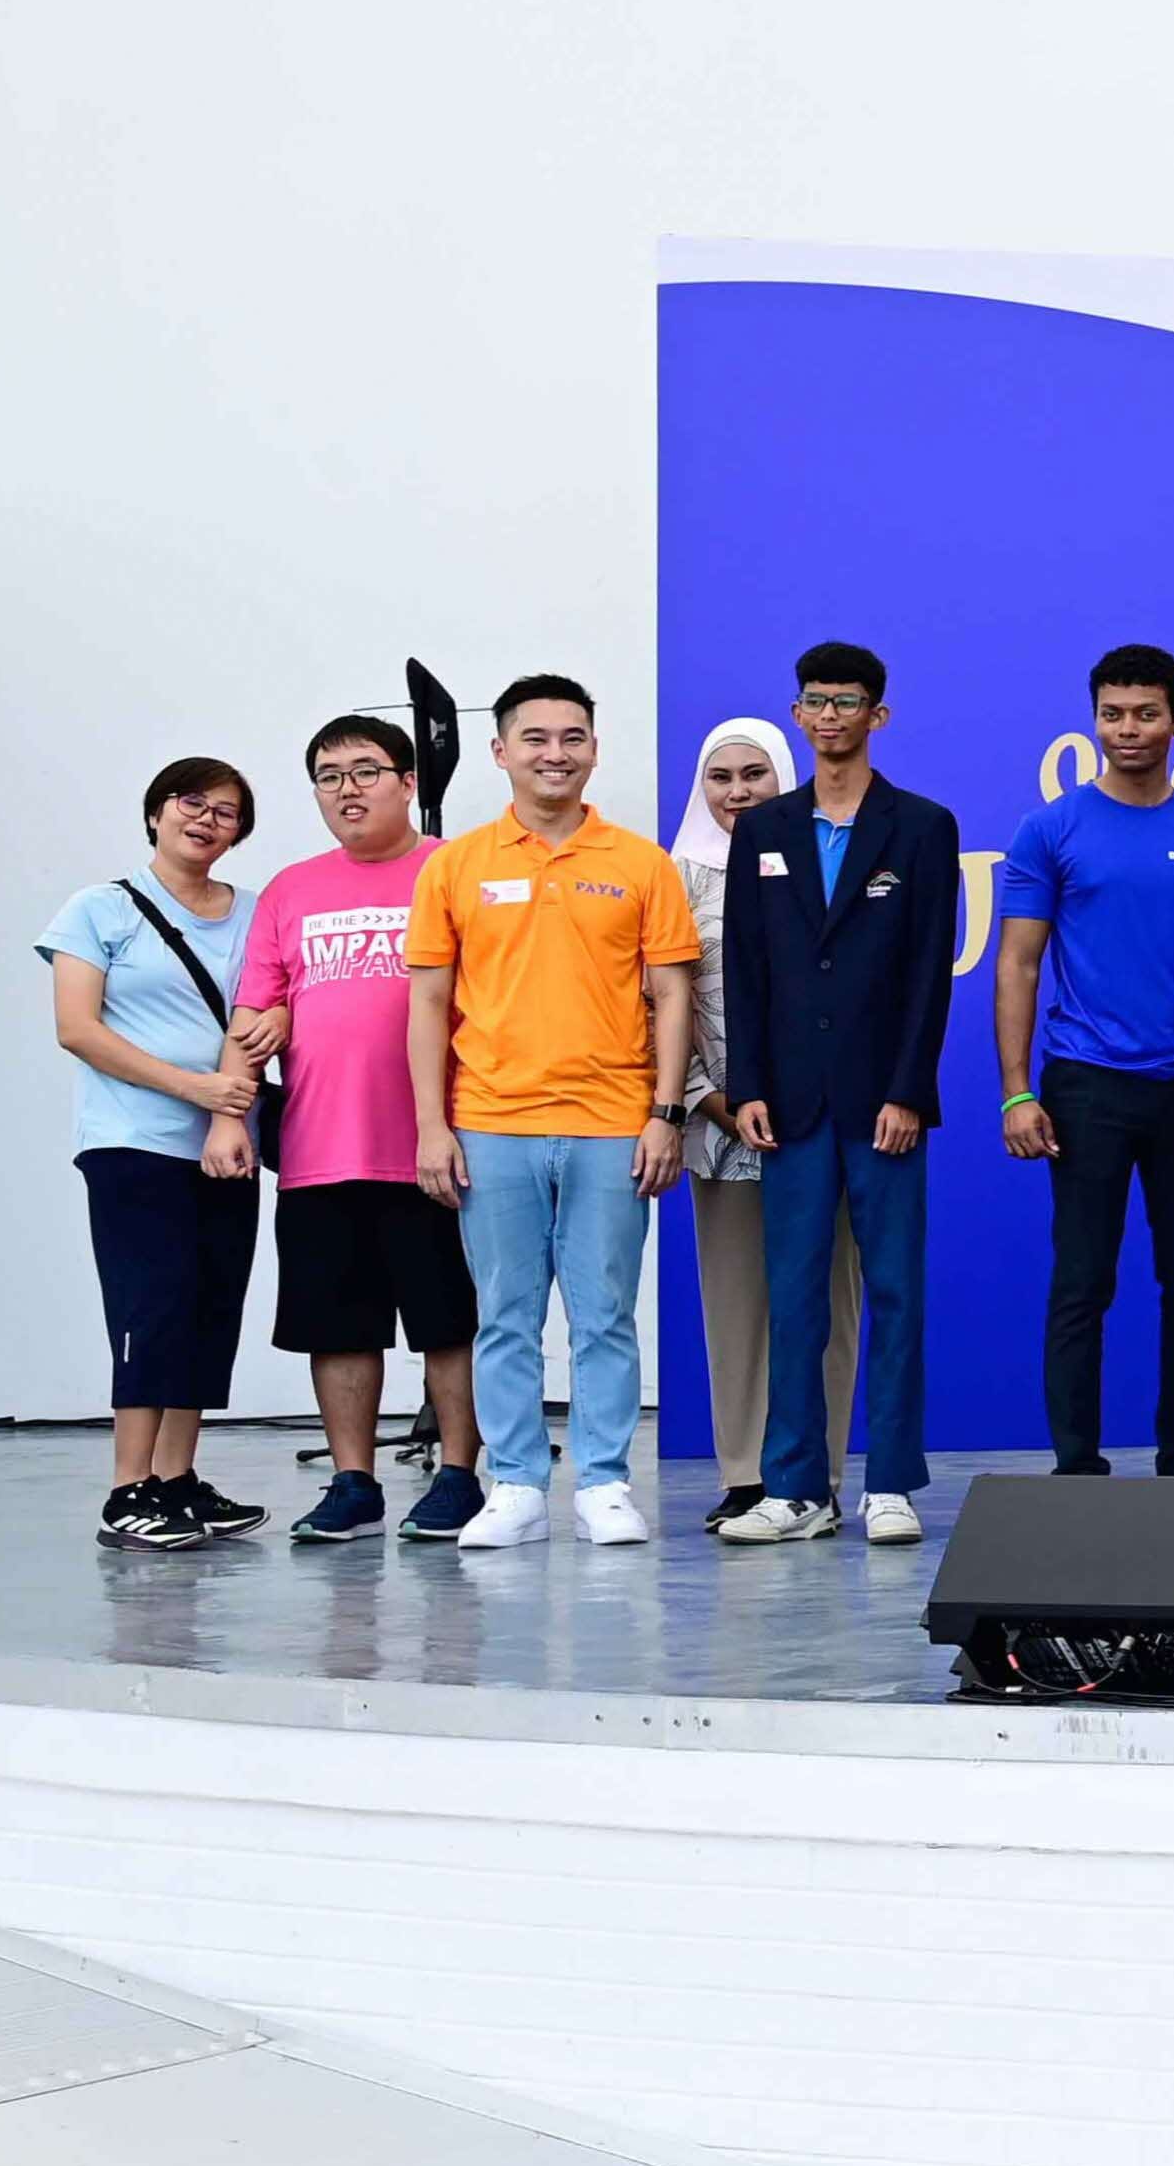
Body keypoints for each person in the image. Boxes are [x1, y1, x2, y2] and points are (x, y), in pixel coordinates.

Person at [400, 675, 700, 1552]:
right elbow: (427, 1003)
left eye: (572, 737)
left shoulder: (639, 862)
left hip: (614, 1122)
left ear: (595, 749)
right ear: (499, 751)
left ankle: (603, 1481)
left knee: (606, 1310)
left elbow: (673, 994)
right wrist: (430, 1123)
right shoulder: (455, 864)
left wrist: (666, 1112)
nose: (554, 753)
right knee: (505, 1312)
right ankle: (518, 1483)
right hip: (491, 1119)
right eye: (534, 738)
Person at [711, 642, 962, 1545]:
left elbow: (930, 970)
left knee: (894, 1290)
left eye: (846, 701)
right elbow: (746, 966)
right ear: (797, 713)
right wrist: (747, 1086)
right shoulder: (766, 828)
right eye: (814, 701)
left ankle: (890, 1482)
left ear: (876, 715)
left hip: (883, 1102)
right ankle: (796, 1488)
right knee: (794, 1296)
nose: (829, 715)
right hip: (788, 1104)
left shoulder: (923, 825)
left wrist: (908, 1089)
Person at [995, 644, 1174, 1478]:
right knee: (1081, 1284)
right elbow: (1019, 964)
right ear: (1093, 718)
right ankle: (1076, 1464)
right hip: (1085, 1086)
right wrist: (1015, 1092)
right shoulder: (1050, 829)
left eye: (1145, 713)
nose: (1128, 729)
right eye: (1112, 713)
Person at [242, 715, 485, 1541]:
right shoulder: (289, 889)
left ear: (408, 781)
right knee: (337, 1325)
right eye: (328, 774)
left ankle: (458, 1474)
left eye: (367, 770)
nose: (348, 788)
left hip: (436, 1142)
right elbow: (254, 1007)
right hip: (319, 1146)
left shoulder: (454, 869)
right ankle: (354, 1483)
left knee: (448, 1319)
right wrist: (259, 1036)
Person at [43, 756, 261, 1549]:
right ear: (155, 813)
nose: (205, 818)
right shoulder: (99, 909)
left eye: (226, 811)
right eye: (190, 801)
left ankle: (175, 1480)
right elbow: (79, 1027)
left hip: (226, 1143)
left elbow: (264, 1011)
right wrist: (194, 1088)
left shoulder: (254, 913)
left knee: (209, 1307)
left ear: (238, 833)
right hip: (133, 1144)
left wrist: (227, 1103)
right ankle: (125, 1489)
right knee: (150, 1307)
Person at [666, 717, 854, 1531]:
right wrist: (710, 1098)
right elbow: (660, 1007)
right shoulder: (675, 879)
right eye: (722, 777)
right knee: (738, 1301)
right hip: (719, 1121)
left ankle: (820, 1467)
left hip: (823, 1119)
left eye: (755, 775)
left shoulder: (824, 866)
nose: (738, 792)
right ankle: (747, 1472)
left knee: (826, 1302)